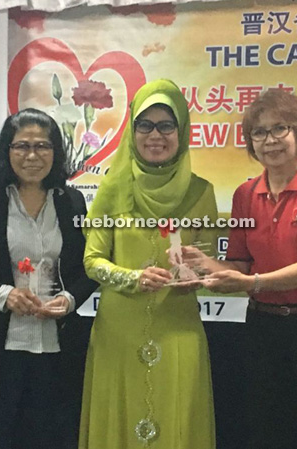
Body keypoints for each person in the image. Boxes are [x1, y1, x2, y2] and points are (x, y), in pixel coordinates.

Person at [186, 88, 297, 449]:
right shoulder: (246, 195)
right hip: (265, 324)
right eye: (259, 133)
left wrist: (251, 281)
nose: (270, 141)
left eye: (280, 129)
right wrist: (202, 265)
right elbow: (241, 263)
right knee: (267, 424)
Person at [0, 108, 97, 449]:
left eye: (42, 146)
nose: (31, 155)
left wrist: (68, 300)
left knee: (53, 440)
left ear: (55, 153)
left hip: (57, 350)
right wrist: (3, 294)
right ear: (6, 151)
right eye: (21, 146)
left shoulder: (71, 201)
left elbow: (87, 267)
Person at [79, 79, 217, 449]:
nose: (155, 135)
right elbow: (92, 261)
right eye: (145, 125)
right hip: (119, 332)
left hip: (178, 328)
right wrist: (132, 278)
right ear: (133, 131)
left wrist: (197, 273)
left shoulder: (201, 191)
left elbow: (209, 258)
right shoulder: (113, 188)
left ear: (181, 131)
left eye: (166, 125)